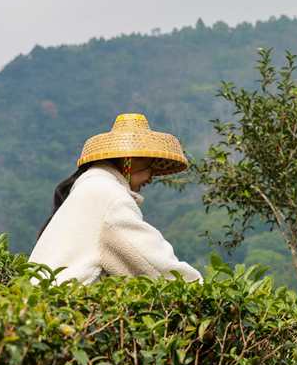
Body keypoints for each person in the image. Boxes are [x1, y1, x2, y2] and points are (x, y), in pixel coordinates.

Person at [29, 113, 202, 284]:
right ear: (131, 161)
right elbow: (154, 264)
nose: (151, 177)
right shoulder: (108, 194)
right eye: (151, 167)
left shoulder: (91, 187)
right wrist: (201, 291)